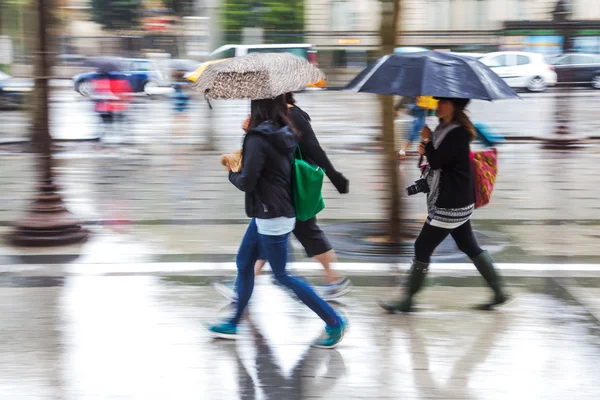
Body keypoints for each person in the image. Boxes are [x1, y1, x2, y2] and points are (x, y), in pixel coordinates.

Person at [206, 95, 347, 349]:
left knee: (283, 275)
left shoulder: (258, 138)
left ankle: (334, 321)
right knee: (245, 263)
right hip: (273, 209)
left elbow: (248, 181)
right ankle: (233, 323)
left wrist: (231, 171)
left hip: (271, 212)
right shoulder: (283, 130)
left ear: (257, 107)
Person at [380, 97, 511, 312]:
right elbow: (437, 160)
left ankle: (407, 299)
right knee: (468, 245)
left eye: (444, 102)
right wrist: (427, 145)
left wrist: (428, 141)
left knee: (422, 246)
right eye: (439, 101)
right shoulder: (445, 127)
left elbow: (439, 161)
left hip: (451, 203)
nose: (439, 105)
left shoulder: (457, 133)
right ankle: (499, 292)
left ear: (455, 106)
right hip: (458, 199)